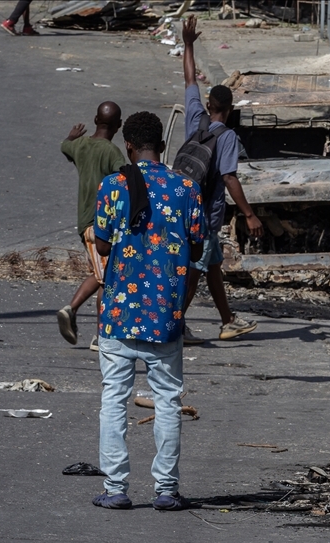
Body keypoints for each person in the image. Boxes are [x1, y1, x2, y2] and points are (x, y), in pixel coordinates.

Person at [90, 111, 206, 511]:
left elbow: (102, 244)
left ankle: (116, 487)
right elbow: (198, 248)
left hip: (120, 314)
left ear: (128, 145)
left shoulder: (114, 185)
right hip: (165, 315)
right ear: (162, 145)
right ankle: (166, 490)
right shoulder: (187, 188)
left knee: (113, 400)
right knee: (168, 402)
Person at [179, 15, 262, 344]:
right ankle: (175, 324)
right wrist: (249, 214)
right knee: (197, 269)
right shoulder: (226, 137)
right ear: (228, 109)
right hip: (205, 218)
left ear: (209, 105)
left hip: (183, 208)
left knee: (212, 265)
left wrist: (188, 45)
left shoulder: (195, 119)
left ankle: (228, 320)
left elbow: (188, 79)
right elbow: (228, 177)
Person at [57, 102, 125, 351]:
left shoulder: (81, 145)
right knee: (107, 279)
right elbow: (124, 180)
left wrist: (70, 137)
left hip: (84, 222)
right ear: (119, 125)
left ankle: (71, 311)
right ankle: (100, 335)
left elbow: (66, 147)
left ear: (95, 120)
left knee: (99, 274)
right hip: (101, 227)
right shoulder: (112, 153)